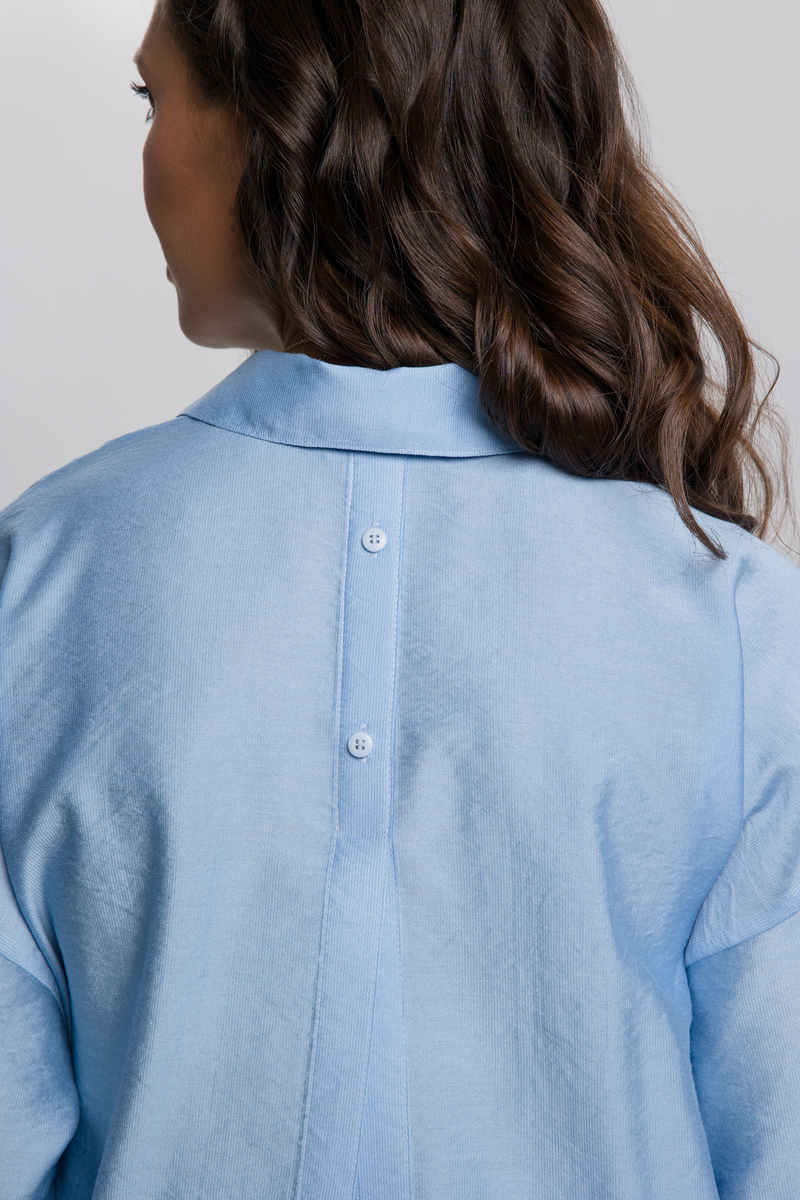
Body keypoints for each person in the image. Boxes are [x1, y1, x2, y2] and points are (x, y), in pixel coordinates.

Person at [1, 0, 798, 1195]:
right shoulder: (733, 619)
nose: (148, 152)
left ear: (281, 124)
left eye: (152, 98)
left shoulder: (40, 575)